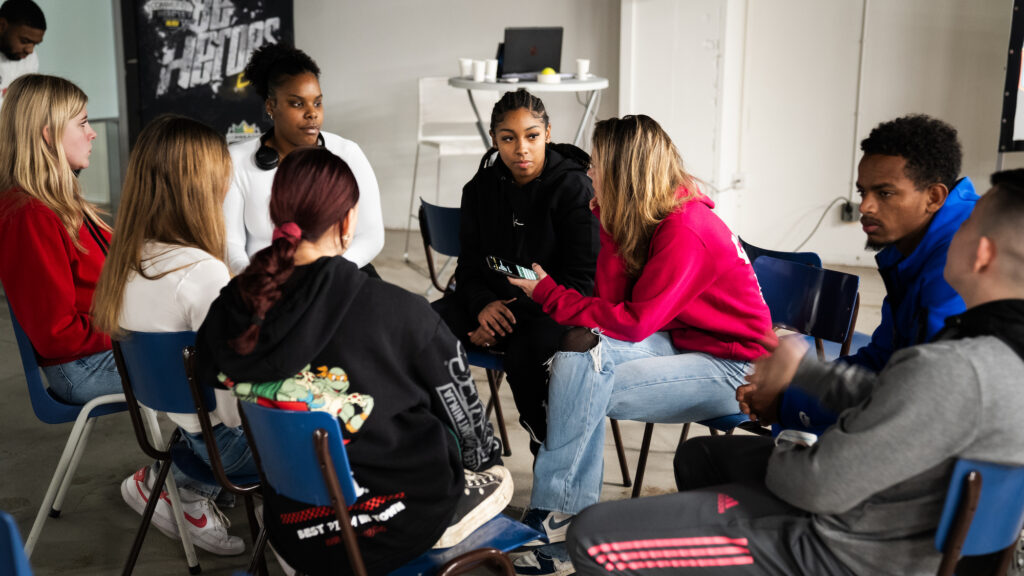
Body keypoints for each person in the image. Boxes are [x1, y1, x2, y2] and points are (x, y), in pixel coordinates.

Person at [567, 169, 1024, 576]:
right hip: (889, 522)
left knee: (590, 534)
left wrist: (790, 444)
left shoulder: (956, 367)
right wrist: (803, 374)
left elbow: (816, 486)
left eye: (965, 225)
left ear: (981, 253)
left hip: (839, 549)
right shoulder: (991, 348)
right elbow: (898, 397)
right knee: (701, 457)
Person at [197, 147, 510, 575]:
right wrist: (479, 460)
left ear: (276, 215)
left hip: (291, 527)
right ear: (347, 222)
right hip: (393, 525)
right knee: (496, 473)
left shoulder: (231, 311)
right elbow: (471, 435)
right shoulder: (402, 312)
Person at [507, 115, 773, 575]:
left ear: (624, 171)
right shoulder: (652, 216)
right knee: (579, 351)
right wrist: (606, 219)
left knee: (580, 379)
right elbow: (612, 305)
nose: (589, 172)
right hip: (684, 343)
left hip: (737, 367)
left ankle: (559, 522)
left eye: (598, 165)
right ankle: (563, 517)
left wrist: (550, 293)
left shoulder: (686, 229)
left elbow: (632, 325)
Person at [674, 114, 980, 492]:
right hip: (910, 452)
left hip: (918, 482)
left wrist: (791, 398)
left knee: (707, 462)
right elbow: (883, 361)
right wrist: (788, 398)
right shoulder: (921, 250)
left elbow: (913, 407)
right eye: (862, 191)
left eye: (884, 193)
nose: (865, 206)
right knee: (705, 457)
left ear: (934, 196)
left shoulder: (958, 266)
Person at [92, 115, 257, 556]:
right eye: (224, 178)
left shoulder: (126, 261)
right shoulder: (202, 274)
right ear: (202, 188)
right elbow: (236, 409)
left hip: (186, 432)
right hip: (230, 448)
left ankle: (172, 484)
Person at [432, 88, 599, 450]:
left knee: (526, 352)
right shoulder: (478, 189)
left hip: (554, 309)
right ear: (495, 139)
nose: (521, 149)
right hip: (494, 304)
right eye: (508, 138)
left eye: (532, 136)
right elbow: (470, 264)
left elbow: (581, 283)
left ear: (548, 134)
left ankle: (548, 443)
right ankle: (456, 438)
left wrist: (503, 317)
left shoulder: (574, 189)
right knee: (426, 327)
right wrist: (481, 308)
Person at [0, 74, 119, 404]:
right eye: (82, 123)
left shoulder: (57, 201)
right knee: (222, 369)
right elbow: (57, 335)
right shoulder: (30, 214)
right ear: (48, 135)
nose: (92, 132)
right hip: (81, 367)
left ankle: (186, 454)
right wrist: (135, 329)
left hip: (100, 349)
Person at [224, 43, 384, 277]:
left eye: (317, 102)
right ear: (271, 106)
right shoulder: (237, 160)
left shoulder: (347, 153)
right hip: (264, 282)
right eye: (297, 103)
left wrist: (323, 276)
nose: (312, 113)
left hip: (337, 278)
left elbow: (371, 236)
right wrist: (260, 279)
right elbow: (231, 244)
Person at [0, 0, 45, 107]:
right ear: (2, 26)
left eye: (35, 44)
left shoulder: (30, 58)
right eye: (24, 41)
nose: (30, 50)